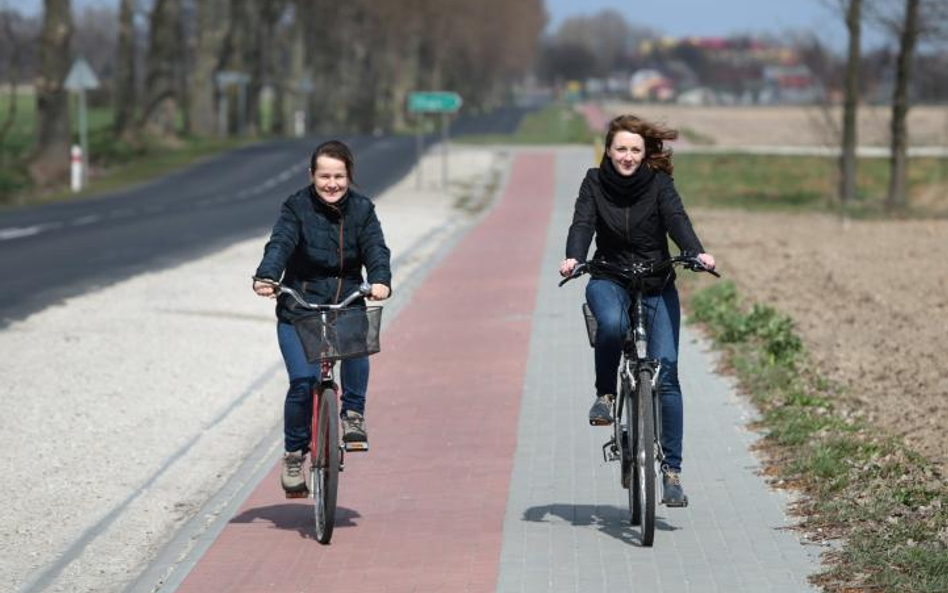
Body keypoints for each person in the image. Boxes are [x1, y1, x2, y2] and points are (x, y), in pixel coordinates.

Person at [559, 115, 715, 507]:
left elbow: (677, 220)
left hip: (656, 281)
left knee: (666, 373)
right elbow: (582, 222)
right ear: (608, 151)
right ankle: (606, 396)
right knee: (610, 324)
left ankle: (672, 473)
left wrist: (695, 251)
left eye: (634, 150)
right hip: (609, 277)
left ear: (645, 154)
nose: (627, 156)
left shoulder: (659, 184)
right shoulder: (594, 182)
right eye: (620, 149)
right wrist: (574, 257)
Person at [253, 140, 391, 496]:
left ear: (349, 176)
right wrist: (268, 276)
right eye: (324, 176)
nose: (332, 184)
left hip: (346, 300)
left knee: (358, 342)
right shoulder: (296, 207)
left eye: (339, 176)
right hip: (300, 308)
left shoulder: (362, 210)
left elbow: (376, 247)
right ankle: (295, 453)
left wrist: (380, 281)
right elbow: (280, 243)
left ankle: (353, 414)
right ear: (311, 175)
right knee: (303, 381)